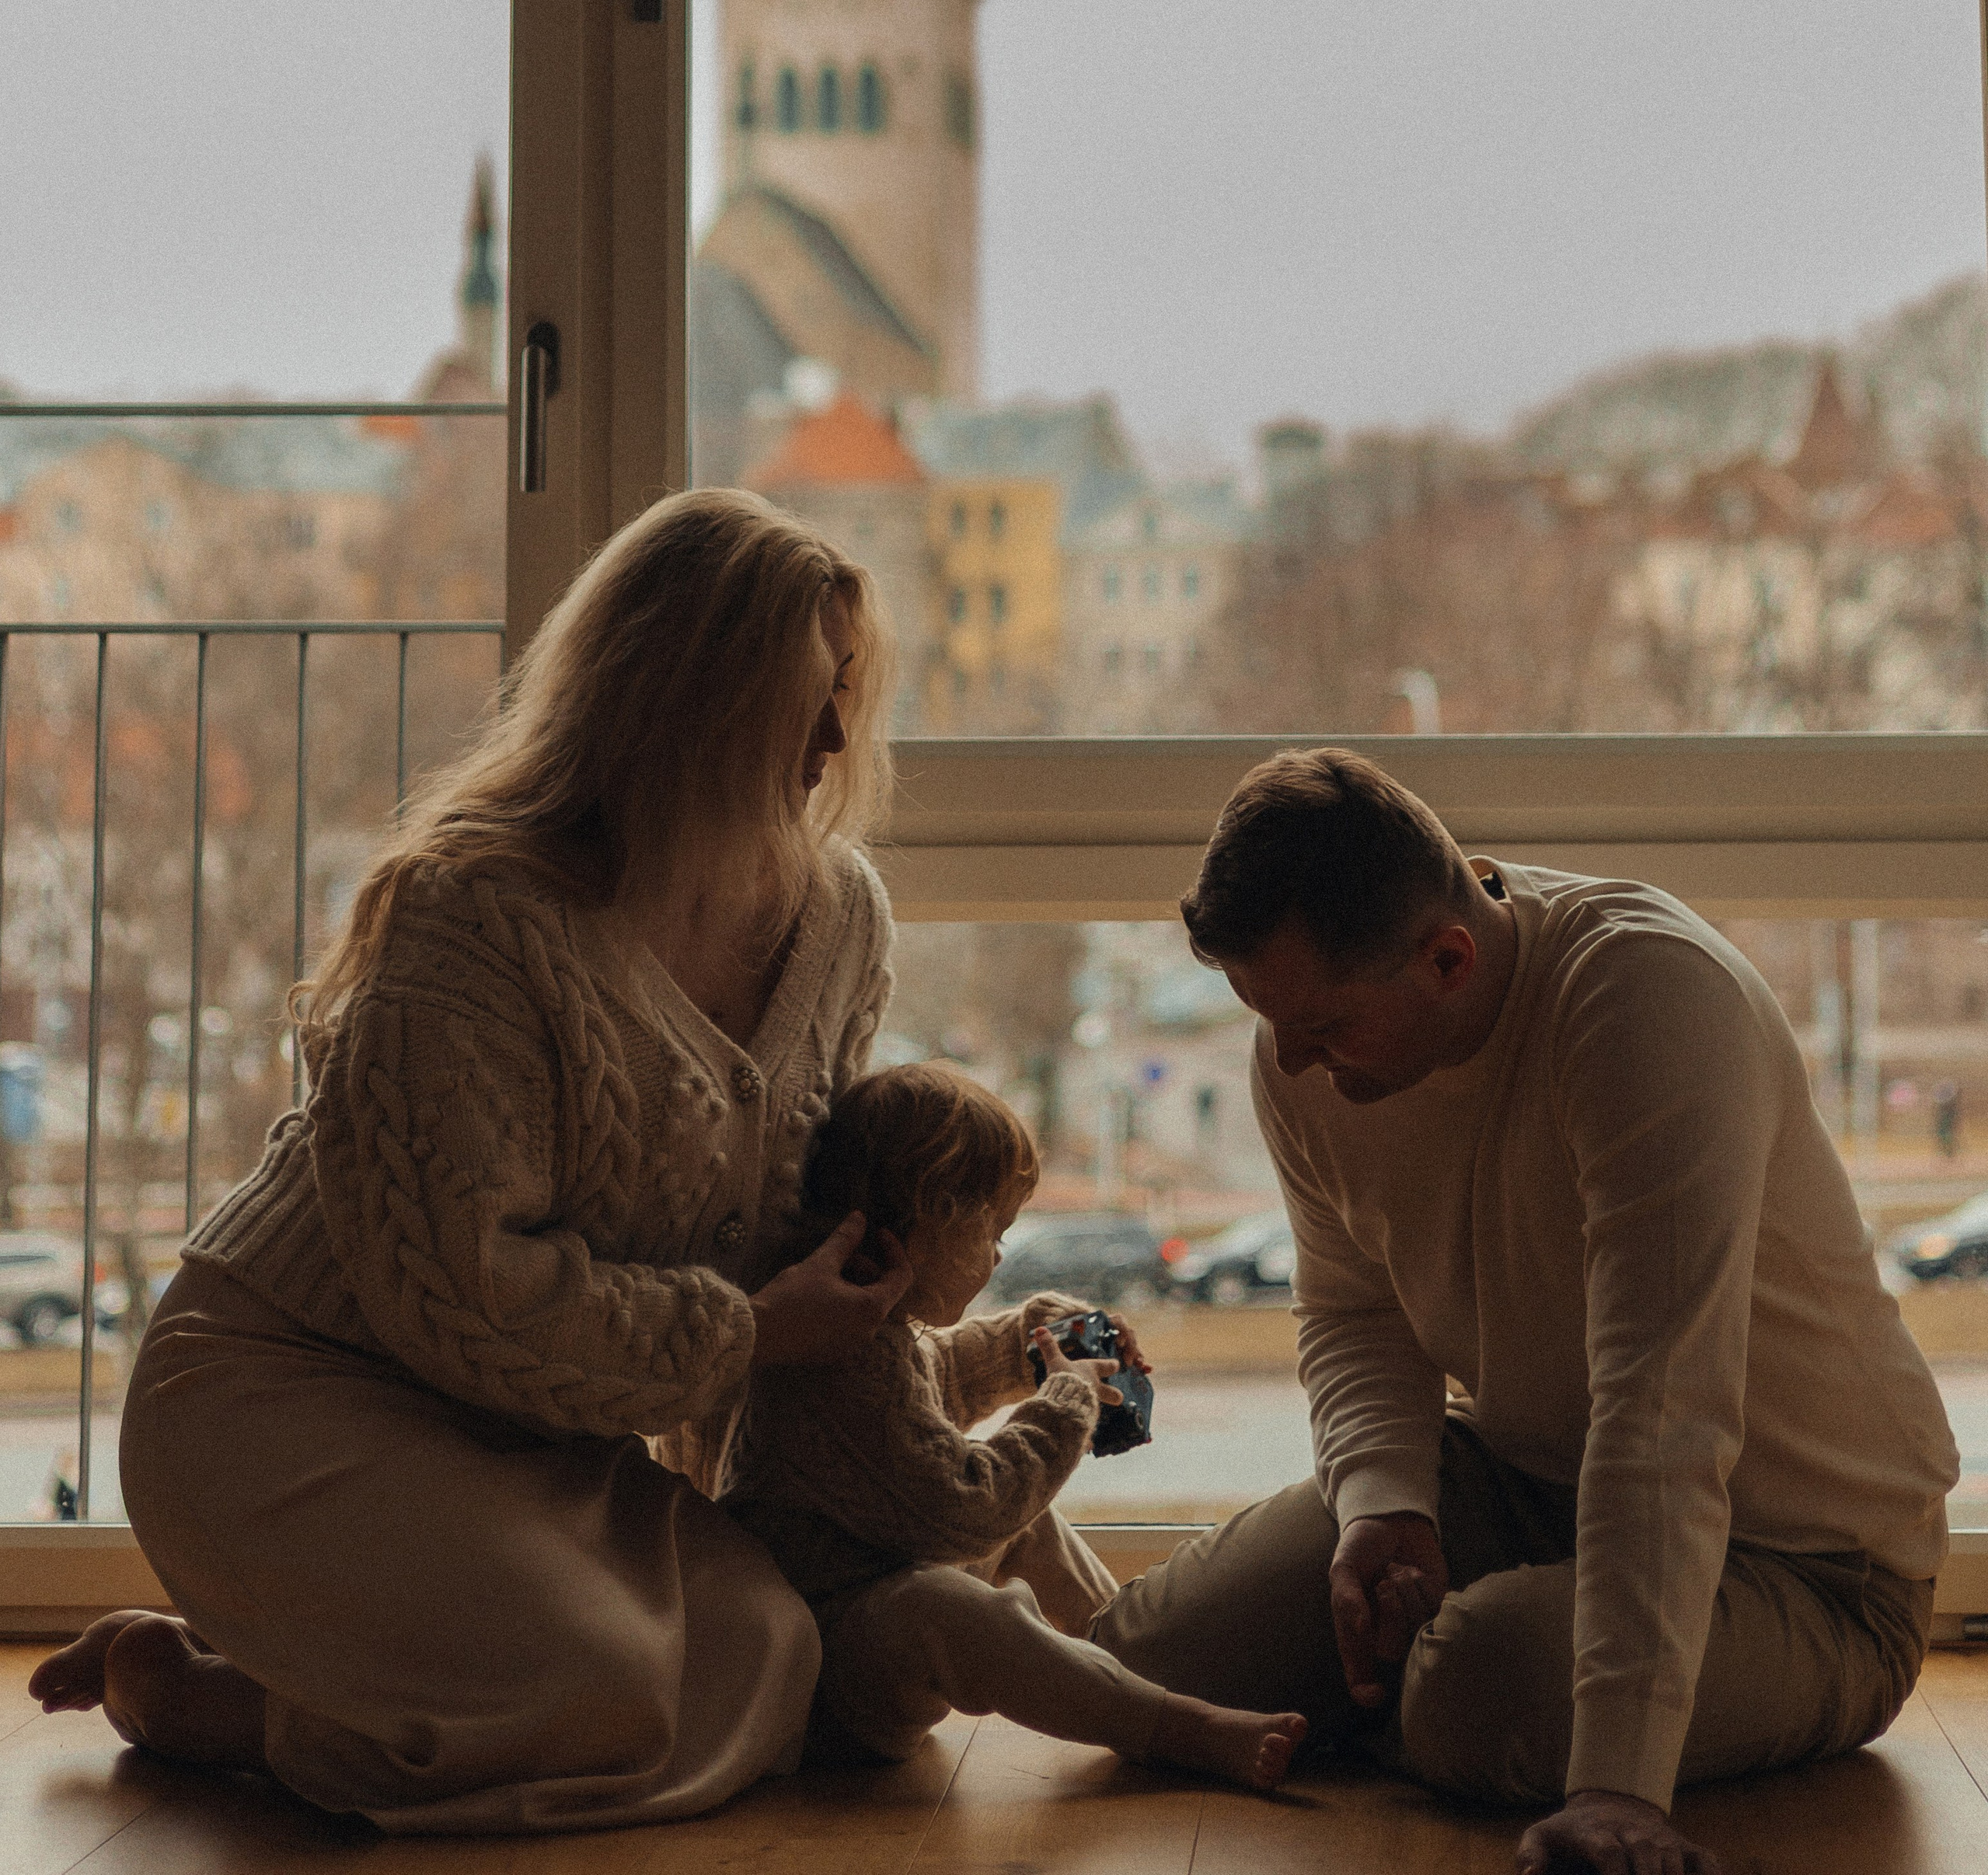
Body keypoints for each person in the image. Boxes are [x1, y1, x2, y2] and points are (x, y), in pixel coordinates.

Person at [31, 489, 920, 1833]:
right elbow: (464, 1298)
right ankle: (203, 1701)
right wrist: (745, 1334)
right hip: (288, 1393)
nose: (834, 738)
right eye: (799, 697)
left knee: (775, 1647)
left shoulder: (839, 915)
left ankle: (319, 1672)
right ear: (676, 701)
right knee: (602, 1681)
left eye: (845, 690)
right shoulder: (473, 911)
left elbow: (786, 1234)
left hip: (527, 1433)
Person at [1092, 748, 1958, 1875]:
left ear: (1447, 958)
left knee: (1474, 1690)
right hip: (1521, 1478)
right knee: (1139, 1664)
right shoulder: (1304, 1049)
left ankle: (1473, 1686)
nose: (1288, 1063)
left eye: (1321, 1026)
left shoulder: (1647, 1002)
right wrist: (1382, 1506)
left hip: (1807, 1565)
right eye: (1268, 1020)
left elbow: (1664, 1413)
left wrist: (1616, 1791)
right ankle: (1455, 1668)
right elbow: (1354, 1306)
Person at [724, 1060, 1308, 1789]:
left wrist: (1031, 1339)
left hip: (865, 1598)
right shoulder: (837, 1356)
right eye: (991, 1231)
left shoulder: (865, 1322)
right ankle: (1171, 1726)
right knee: (952, 1601)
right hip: (825, 1677)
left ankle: (1135, 1660)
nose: (1000, 1253)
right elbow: (960, 1511)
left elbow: (929, 1378)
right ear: (919, 1228)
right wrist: (1066, 1402)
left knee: (1021, 1525)